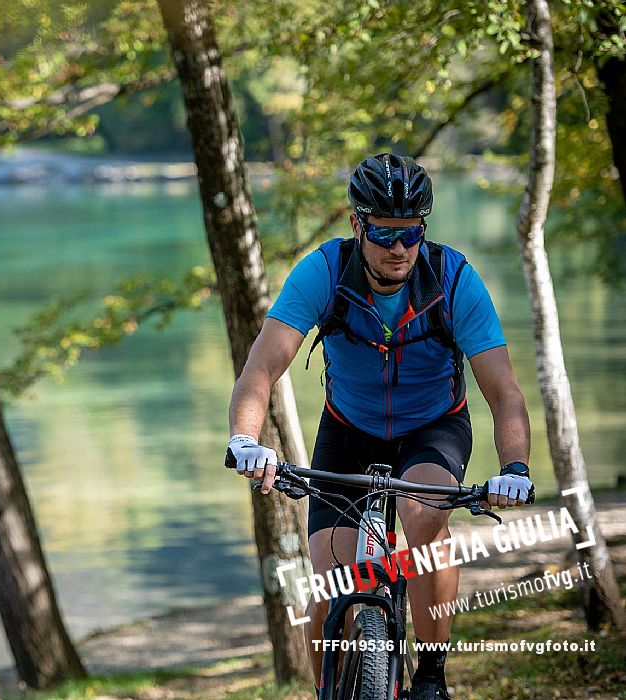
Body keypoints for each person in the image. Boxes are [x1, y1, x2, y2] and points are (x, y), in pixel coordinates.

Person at [225, 153, 534, 700]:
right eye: (385, 234)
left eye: (412, 233)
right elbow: (261, 371)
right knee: (326, 597)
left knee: (423, 516)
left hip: (433, 428)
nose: (400, 248)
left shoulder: (454, 280)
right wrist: (246, 442)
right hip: (348, 432)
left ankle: (432, 677)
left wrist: (514, 468)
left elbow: (504, 394)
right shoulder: (323, 272)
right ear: (356, 225)